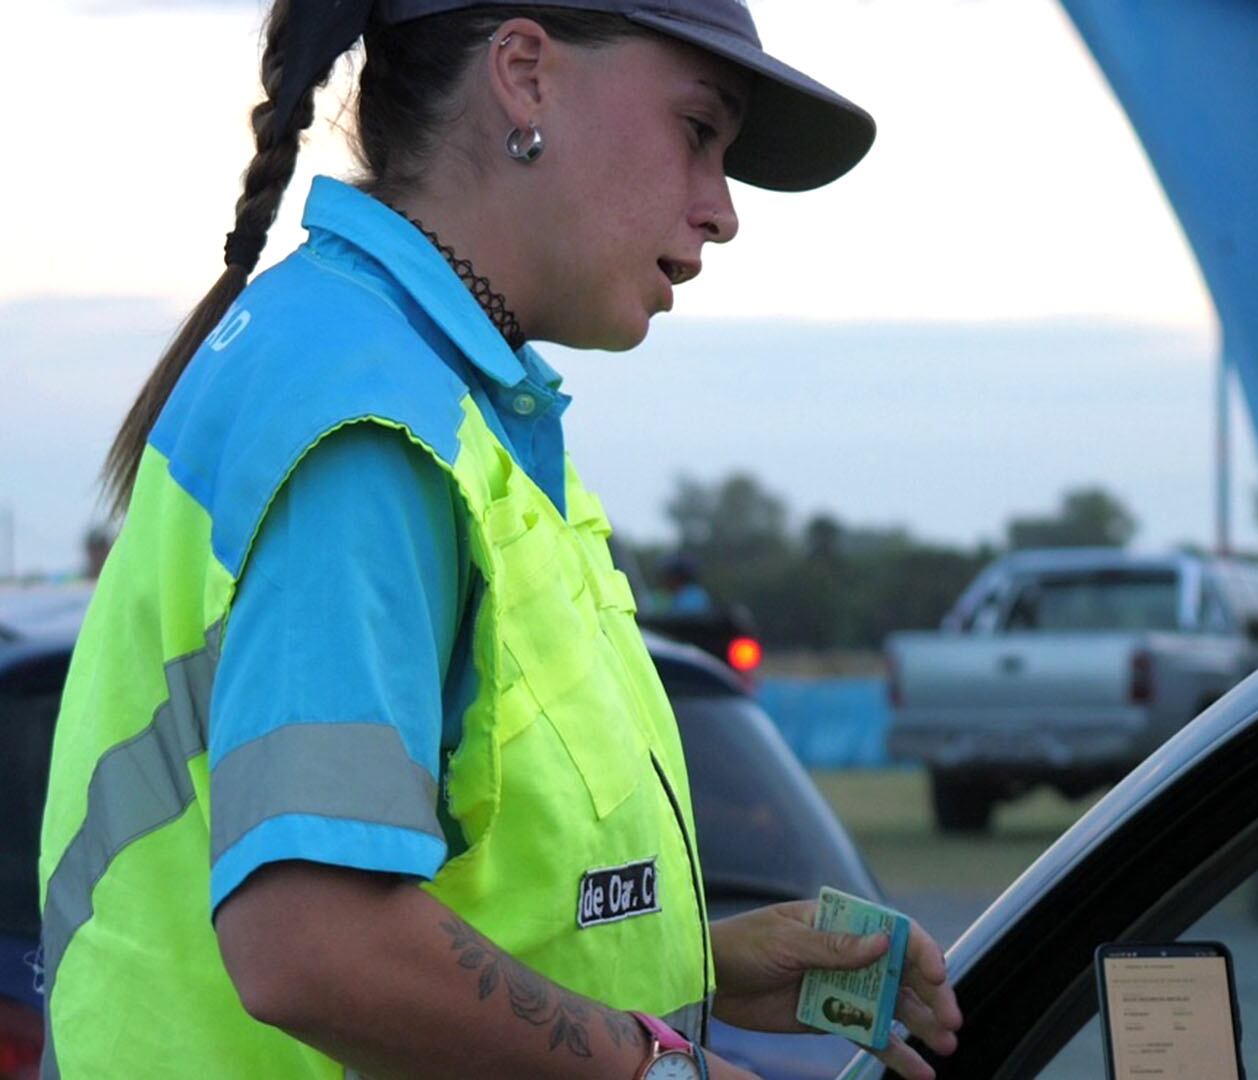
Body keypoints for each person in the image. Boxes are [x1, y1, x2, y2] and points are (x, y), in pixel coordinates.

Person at [36, 2, 962, 1078]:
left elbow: (436, 902)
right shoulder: (369, 422)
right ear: (525, 75)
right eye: (699, 132)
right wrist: (655, 1069)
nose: (721, 210)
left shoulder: (422, 392)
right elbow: (311, 945)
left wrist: (689, 971)